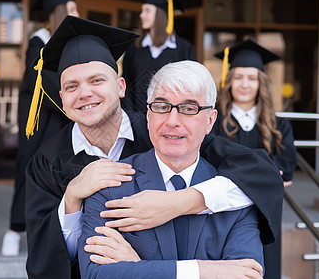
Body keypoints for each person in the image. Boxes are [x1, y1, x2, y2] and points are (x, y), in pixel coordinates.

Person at [25, 16, 282, 279]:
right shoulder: (48, 162)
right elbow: (47, 262)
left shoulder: (162, 133)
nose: (85, 93)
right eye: (71, 86)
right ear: (62, 100)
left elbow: (257, 173)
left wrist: (180, 202)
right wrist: (72, 198)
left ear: (121, 86)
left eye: (97, 80)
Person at [79, 60, 264, 279]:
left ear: (210, 121)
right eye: (161, 106)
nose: (172, 121)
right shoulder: (111, 186)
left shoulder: (236, 198)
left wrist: (137, 266)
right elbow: (96, 275)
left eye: (188, 108)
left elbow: (248, 276)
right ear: (148, 115)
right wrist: (204, 271)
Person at [1, 0, 79, 256]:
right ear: (60, 13)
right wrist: (73, 102)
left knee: (61, 175)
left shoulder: (70, 44)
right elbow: (42, 82)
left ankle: (54, 232)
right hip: (39, 120)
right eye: (72, 9)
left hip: (62, 121)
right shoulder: (40, 42)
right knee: (29, 170)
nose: (77, 12)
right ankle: (14, 230)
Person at [211, 39, 298, 279]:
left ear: (261, 83)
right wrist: (264, 175)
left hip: (265, 213)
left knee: (265, 269)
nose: (244, 84)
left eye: (252, 78)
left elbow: (287, 164)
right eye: (238, 77)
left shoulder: (278, 126)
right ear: (229, 81)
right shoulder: (215, 122)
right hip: (224, 210)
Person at [122, 0, 196, 113]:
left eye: (147, 10)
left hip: (171, 116)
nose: (141, 15)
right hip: (137, 118)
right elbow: (127, 81)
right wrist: (130, 113)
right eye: (142, 10)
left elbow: (190, 85)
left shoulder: (183, 49)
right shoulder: (135, 48)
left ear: (161, 14)